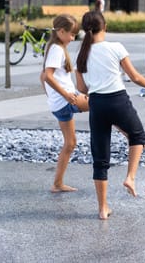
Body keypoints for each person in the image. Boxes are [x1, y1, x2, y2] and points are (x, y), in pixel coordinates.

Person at [75, 10, 145, 220]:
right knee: (138, 136)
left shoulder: (81, 55)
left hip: (96, 105)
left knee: (100, 159)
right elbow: (134, 76)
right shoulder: (116, 47)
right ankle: (130, 178)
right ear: (104, 27)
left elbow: (82, 88)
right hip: (118, 101)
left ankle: (103, 208)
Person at [40, 14, 89, 193]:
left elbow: (42, 77)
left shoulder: (54, 47)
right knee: (103, 103)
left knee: (70, 143)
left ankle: (57, 184)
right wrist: (65, 95)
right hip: (66, 100)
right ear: (61, 31)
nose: (73, 38)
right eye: (71, 34)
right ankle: (131, 136)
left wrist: (52, 98)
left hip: (59, 103)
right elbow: (47, 76)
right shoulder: (57, 49)